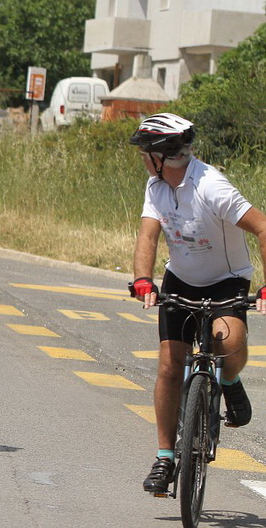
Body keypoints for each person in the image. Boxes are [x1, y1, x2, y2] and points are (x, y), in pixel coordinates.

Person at [125, 113, 266, 495]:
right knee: (170, 366)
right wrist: (143, 279)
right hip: (180, 279)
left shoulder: (212, 187)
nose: (142, 158)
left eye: (145, 152)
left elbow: (262, 226)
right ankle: (165, 456)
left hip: (226, 281)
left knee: (227, 342)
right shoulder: (156, 186)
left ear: (160, 155)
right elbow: (148, 237)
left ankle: (231, 381)